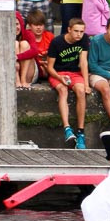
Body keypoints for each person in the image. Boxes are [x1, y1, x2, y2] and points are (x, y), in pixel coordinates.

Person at [46, 19, 90, 148]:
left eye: (81, 31)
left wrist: (86, 84)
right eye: (76, 31)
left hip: (74, 73)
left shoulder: (84, 39)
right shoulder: (57, 42)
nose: (79, 34)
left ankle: (81, 132)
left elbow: (83, 62)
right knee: (62, 90)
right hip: (58, 73)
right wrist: (60, 78)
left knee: (81, 91)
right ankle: (67, 128)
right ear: (69, 29)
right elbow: (50, 67)